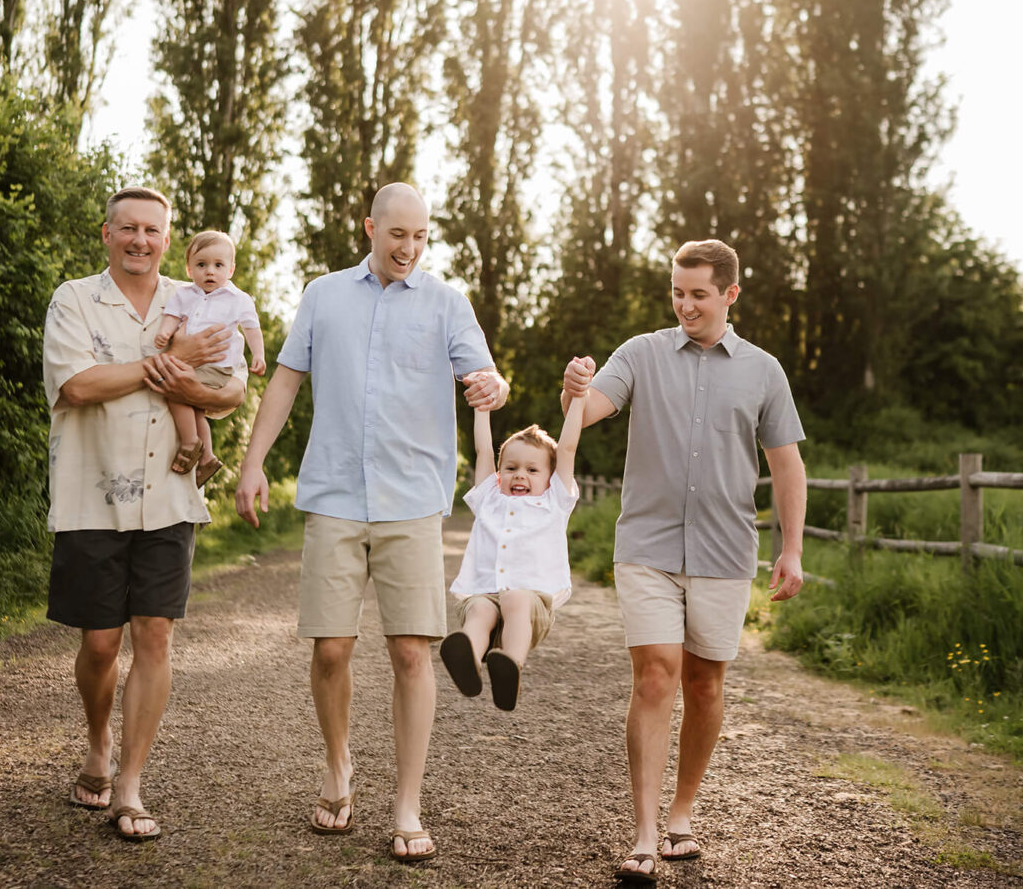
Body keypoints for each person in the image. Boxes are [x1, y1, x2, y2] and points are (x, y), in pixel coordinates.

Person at [234, 182, 509, 865]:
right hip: (333, 493)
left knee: (412, 652)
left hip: (411, 499)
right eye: (398, 235)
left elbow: (486, 377)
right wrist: (253, 462)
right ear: (370, 228)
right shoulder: (323, 294)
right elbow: (286, 380)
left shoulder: (447, 302)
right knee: (330, 649)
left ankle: (407, 804)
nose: (409, 248)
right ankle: (338, 766)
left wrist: (494, 386)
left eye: (420, 236)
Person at [559, 239, 810, 883]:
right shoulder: (640, 354)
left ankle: (682, 811)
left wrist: (791, 548)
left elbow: (787, 464)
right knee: (655, 677)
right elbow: (589, 412)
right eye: (678, 292)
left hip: (725, 551)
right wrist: (574, 391)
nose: (685, 305)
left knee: (704, 685)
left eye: (699, 294)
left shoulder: (764, 371)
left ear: (730, 294)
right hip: (647, 546)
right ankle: (644, 832)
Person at [41, 186, 238, 842]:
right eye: (128, 228)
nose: (140, 240)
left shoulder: (197, 297)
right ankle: (98, 740)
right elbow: (77, 385)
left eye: (152, 230)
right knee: (100, 643)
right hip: (90, 494)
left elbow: (233, 389)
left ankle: (128, 784)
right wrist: (173, 362)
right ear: (107, 233)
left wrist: (196, 381)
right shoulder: (73, 299)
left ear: (168, 238)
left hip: (170, 497)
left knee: (154, 636)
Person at [438, 397, 584, 710]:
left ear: (550, 477)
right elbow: (483, 451)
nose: (520, 475)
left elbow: (568, 448)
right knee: (479, 608)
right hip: (486, 597)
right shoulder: (489, 499)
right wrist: (482, 408)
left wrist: (579, 398)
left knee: (515, 597)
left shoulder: (554, 502)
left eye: (532, 469)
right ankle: (470, 660)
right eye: (511, 468)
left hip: (531, 608)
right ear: (499, 474)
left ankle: (510, 666)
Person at [151, 229, 266, 483]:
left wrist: (258, 354)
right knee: (195, 408)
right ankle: (208, 457)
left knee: (175, 390)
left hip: (218, 366)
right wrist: (165, 331)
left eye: (218, 265)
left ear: (231, 270)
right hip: (193, 364)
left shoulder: (238, 299)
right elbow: (172, 315)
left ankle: (190, 442)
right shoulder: (184, 295)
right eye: (201, 265)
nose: (210, 272)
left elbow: (251, 328)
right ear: (189, 269)